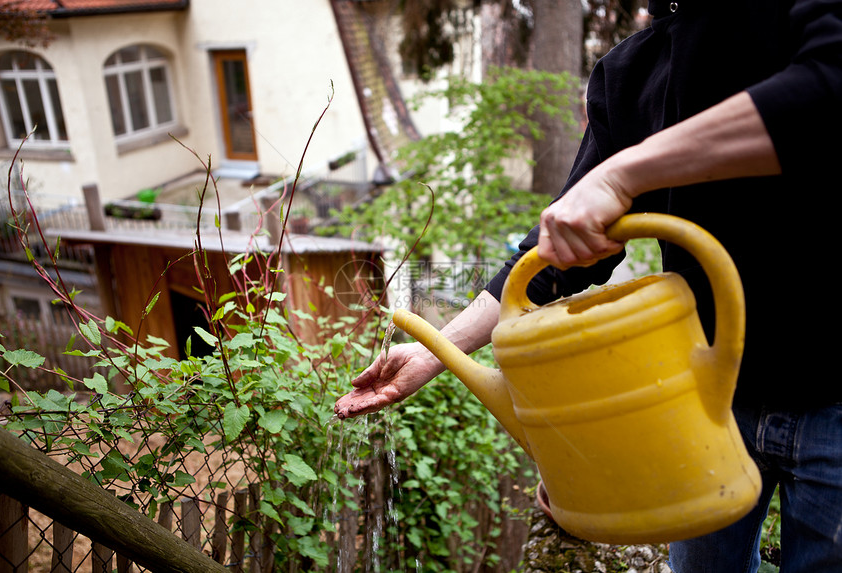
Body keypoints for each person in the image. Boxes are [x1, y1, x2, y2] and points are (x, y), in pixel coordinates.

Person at [335, 1, 842, 570]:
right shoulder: (631, 72)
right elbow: (557, 255)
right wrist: (435, 351)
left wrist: (624, 172)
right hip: (704, 401)